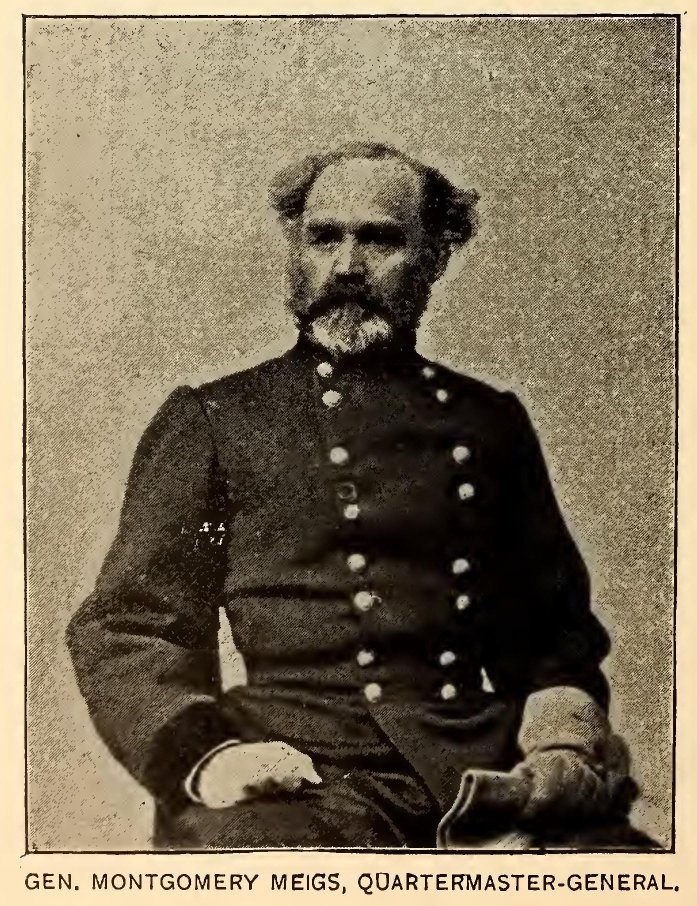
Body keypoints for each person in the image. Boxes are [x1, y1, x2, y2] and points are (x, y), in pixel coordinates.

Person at [67, 141, 652, 850]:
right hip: (295, 772)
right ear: (295, 249)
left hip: (475, 768)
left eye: (379, 240)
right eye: (324, 238)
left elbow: (551, 635)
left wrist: (560, 744)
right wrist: (212, 757)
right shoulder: (216, 420)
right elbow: (130, 626)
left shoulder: (489, 422)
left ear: (435, 257)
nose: (346, 266)